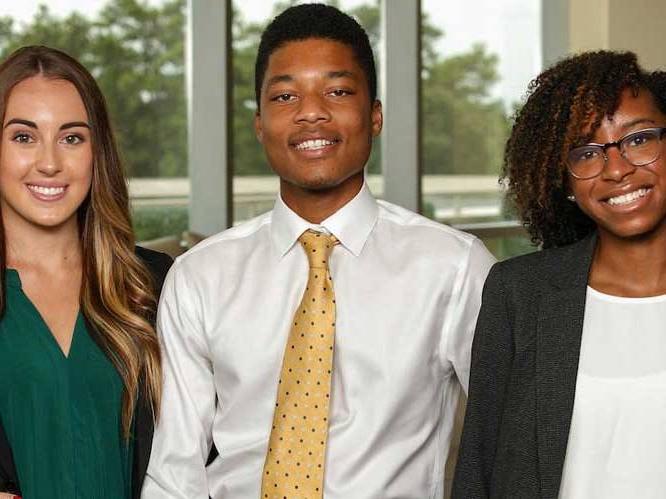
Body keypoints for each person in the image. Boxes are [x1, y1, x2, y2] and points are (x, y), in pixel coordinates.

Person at [142, 4, 494, 498]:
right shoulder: (200, 276)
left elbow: (514, 435)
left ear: (375, 116)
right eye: (286, 95)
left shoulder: (455, 267)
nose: (311, 112)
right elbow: (174, 468)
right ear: (260, 124)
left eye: (337, 91)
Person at [452, 51, 666, 499]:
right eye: (587, 152)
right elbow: (479, 467)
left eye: (640, 139)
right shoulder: (519, 293)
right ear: (563, 181)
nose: (617, 169)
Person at [0, 46, 172, 499]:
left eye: (72, 138)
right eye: (23, 137)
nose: (50, 162)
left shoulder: (154, 283)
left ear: (98, 152)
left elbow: (205, 447)